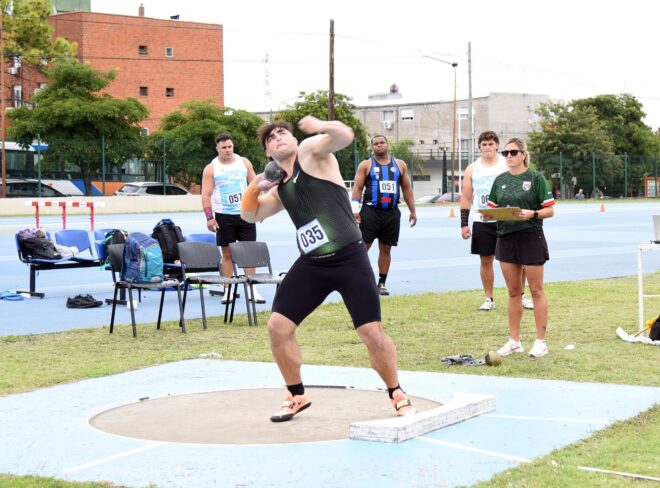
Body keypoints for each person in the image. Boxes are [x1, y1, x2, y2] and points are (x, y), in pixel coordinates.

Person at [240, 116, 415, 422]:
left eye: (283, 133)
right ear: (268, 153)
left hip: (349, 258)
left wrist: (321, 124)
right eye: (271, 139)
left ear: (294, 140)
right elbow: (250, 215)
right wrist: (256, 185)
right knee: (277, 327)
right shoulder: (280, 187)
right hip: (312, 264)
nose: (278, 138)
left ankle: (396, 392)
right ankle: (296, 394)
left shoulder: (311, 152)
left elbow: (343, 136)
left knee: (371, 332)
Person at [485, 138, 555, 358]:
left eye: (513, 152)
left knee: (536, 290)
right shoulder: (500, 180)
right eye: (506, 153)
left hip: (530, 236)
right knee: (514, 291)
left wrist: (531, 214)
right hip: (505, 237)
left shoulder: (536, 178)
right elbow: (491, 209)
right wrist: (488, 215)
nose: (508, 157)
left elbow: (549, 211)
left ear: (524, 154)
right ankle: (514, 341)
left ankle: (541, 342)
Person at [460, 131, 534, 312]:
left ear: (497, 146)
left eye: (491, 144)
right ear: (479, 147)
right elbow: (466, 197)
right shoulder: (472, 168)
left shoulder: (506, 164)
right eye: (484, 144)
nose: (488, 147)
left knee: (518, 259)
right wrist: (464, 223)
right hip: (482, 220)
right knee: (486, 259)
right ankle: (489, 297)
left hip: (507, 219)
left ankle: (522, 295)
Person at [201, 133, 264, 304]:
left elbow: (256, 186)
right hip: (224, 216)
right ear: (217, 149)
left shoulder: (244, 162)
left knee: (249, 253)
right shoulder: (211, 168)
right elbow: (206, 194)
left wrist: (261, 210)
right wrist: (209, 218)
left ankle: (252, 289)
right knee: (227, 254)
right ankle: (228, 290)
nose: (227, 150)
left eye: (230, 146)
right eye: (224, 148)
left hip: (246, 213)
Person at [351, 135, 417, 296]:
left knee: (386, 249)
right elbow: (358, 187)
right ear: (372, 147)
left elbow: (407, 188)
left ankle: (381, 283)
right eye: (376, 144)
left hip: (392, 213)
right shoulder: (366, 165)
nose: (379, 146)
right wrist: (355, 209)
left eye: (382, 143)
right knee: (362, 248)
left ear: (387, 144)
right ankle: (357, 281)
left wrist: (413, 210)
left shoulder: (400, 165)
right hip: (370, 212)